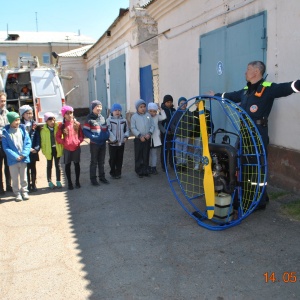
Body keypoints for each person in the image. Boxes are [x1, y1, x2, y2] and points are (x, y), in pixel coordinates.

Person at [209, 60, 300, 210]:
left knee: (258, 166)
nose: (245, 72)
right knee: (243, 165)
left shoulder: (267, 88)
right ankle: (247, 195)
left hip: (258, 133)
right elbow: (231, 95)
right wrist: (216, 95)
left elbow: (288, 87)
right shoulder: (246, 90)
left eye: (248, 69)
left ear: (256, 72)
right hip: (244, 133)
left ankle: (260, 200)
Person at [2, 112, 31, 201]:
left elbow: (27, 143)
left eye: (18, 119)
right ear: (10, 121)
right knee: (14, 178)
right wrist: (15, 156)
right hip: (13, 160)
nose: (18, 122)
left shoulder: (23, 130)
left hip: (23, 158)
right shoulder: (5, 133)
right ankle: (17, 193)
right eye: (15, 120)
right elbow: (6, 147)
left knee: (24, 177)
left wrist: (23, 154)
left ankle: (24, 191)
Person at [56, 105, 84, 190]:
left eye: (71, 113)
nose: (69, 115)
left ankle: (77, 181)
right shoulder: (62, 126)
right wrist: (64, 142)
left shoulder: (77, 124)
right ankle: (69, 183)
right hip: (67, 149)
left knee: (77, 164)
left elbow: (81, 136)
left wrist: (78, 141)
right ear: (64, 115)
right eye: (67, 114)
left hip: (76, 148)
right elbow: (57, 137)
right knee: (67, 165)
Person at [83, 100, 110, 186]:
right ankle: (93, 179)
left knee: (101, 161)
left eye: (100, 106)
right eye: (97, 106)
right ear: (93, 108)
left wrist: (107, 135)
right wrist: (92, 137)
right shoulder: (89, 118)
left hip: (102, 143)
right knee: (94, 161)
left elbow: (106, 128)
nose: (99, 108)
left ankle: (102, 177)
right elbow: (85, 131)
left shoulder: (102, 118)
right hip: (94, 144)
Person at [130, 99, 155, 178]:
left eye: (144, 106)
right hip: (139, 139)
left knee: (146, 154)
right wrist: (140, 135)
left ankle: (145, 170)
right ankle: (139, 170)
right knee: (139, 155)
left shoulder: (148, 115)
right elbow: (133, 128)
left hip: (147, 138)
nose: (143, 108)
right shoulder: (134, 117)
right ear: (137, 108)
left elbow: (152, 125)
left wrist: (149, 133)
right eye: (141, 107)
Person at [19, 105, 40, 192]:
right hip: (25, 151)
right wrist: (26, 149)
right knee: (26, 168)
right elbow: (20, 139)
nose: (29, 115)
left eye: (31, 113)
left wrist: (37, 148)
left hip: (33, 150)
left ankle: (33, 184)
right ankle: (27, 185)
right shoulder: (20, 125)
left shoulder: (35, 124)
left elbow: (38, 137)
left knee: (33, 167)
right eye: (27, 113)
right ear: (22, 115)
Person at [40, 112, 64, 189]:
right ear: (46, 122)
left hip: (57, 149)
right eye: (50, 121)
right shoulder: (43, 131)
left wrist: (62, 147)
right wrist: (44, 150)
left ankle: (58, 181)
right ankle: (49, 181)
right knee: (49, 166)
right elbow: (42, 142)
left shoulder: (58, 128)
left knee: (58, 165)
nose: (52, 122)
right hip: (48, 150)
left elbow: (62, 137)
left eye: (53, 120)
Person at [106, 103, 130, 179]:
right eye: (115, 110)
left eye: (119, 110)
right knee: (113, 158)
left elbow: (127, 130)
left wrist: (126, 136)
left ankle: (118, 172)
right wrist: (113, 139)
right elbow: (108, 131)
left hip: (121, 143)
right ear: (112, 111)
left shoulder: (124, 120)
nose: (117, 112)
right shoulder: (109, 120)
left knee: (120, 158)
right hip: (113, 144)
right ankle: (112, 171)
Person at [170, 97, 193, 171]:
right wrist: (176, 129)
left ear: (186, 104)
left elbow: (193, 123)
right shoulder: (175, 113)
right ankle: (179, 164)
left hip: (186, 135)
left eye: (185, 103)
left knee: (185, 150)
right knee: (178, 150)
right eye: (181, 103)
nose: (183, 105)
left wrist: (189, 129)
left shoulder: (189, 113)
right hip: (178, 135)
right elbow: (172, 124)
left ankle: (184, 164)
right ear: (179, 104)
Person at [147, 102, 166, 174]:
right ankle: (148, 166)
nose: (152, 113)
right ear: (148, 111)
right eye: (150, 111)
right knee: (147, 153)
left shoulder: (157, 116)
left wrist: (160, 109)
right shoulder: (147, 116)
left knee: (154, 153)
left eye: (154, 111)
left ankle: (153, 167)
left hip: (155, 138)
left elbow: (164, 117)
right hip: (148, 137)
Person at [159, 94, 176, 172]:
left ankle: (172, 163)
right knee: (165, 149)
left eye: (171, 102)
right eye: (168, 102)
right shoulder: (162, 111)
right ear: (164, 102)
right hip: (165, 133)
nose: (169, 103)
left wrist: (174, 130)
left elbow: (176, 121)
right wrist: (164, 131)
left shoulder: (174, 111)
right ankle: (164, 165)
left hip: (173, 133)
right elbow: (159, 123)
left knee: (172, 149)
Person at [0, 92, 12, 194]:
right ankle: (0, 187)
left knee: (8, 165)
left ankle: (9, 185)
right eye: (1, 101)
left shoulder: (7, 112)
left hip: (6, 143)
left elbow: (8, 126)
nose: (3, 103)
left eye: (4, 101)